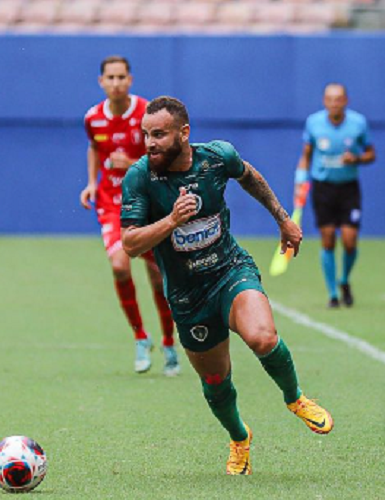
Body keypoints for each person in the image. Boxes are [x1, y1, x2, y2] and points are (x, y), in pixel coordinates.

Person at [121, 96, 334, 475]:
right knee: (216, 379)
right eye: (146, 135)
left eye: (159, 134)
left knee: (263, 338)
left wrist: (283, 220)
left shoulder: (217, 158)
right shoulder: (140, 177)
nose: (150, 143)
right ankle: (239, 438)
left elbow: (249, 175)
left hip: (229, 271)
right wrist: (170, 221)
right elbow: (131, 243)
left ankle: (295, 397)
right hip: (187, 296)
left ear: (184, 134)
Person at [80, 55, 179, 376]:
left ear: (130, 80)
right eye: (110, 77)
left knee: (157, 277)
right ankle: (140, 336)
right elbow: (95, 148)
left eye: (121, 77)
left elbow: (163, 155)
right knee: (120, 265)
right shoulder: (93, 118)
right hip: (112, 202)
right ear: (101, 82)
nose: (116, 83)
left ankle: (168, 341)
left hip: (146, 202)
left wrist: (136, 161)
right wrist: (91, 183)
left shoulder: (147, 114)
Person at [296, 83, 375, 308]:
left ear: (346, 101)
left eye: (338, 99)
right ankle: (332, 293)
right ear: (324, 101)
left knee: (349, 241)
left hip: (348, 188)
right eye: (330, 99)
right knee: (328, 237)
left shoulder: (358, 123)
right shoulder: (314, 123)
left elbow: (371, 153)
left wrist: (357, 158)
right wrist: (300, 179)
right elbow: (306, 155)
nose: (334, 103)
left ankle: (344, 280)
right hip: (323, 188)